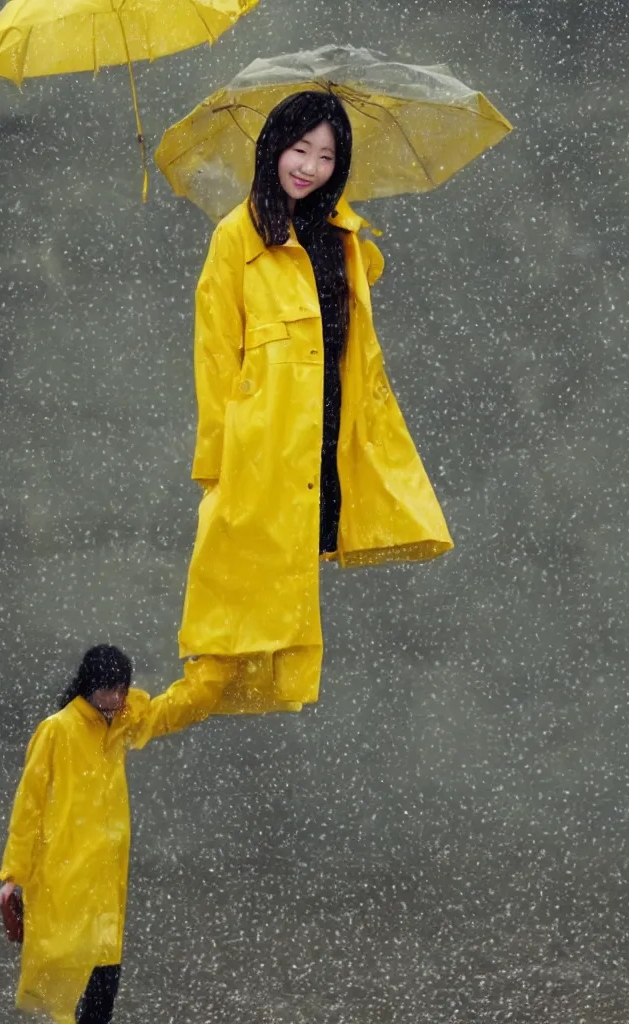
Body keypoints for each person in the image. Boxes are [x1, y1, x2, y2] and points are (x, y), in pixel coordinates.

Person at [179, 90, 452, 715]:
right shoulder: (236, 237)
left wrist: (345, 228)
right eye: (299, 150)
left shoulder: (343, 233)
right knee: (250, 567)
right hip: (267, 426)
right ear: (272, 147)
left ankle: (266, 675)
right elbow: (215, 351)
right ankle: (233, 682)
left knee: (300, 553)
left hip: (331, 412)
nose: (309, 167)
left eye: (326, 157)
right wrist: (216, 461)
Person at [0, 645, 234, 1023]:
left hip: (106, 880)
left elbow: (173, 710)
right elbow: (29, 806)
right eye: (109, 692)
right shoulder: (56, 731)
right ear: (89, 686)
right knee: (68, 980)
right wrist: (13, 875)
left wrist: (213, 667)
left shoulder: (122, 721)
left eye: (122, 690)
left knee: (104, 984)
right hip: (66, 875)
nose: (117, 700)